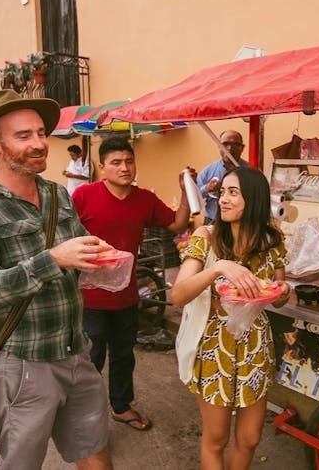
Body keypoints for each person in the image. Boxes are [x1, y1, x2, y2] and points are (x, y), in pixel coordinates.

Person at [0, 89, 113, 469]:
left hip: (77, 351)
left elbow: (77, 252)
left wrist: (99, 255)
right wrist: (53, 258)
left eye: (41, 133)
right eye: (23, 136)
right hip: (22, 362)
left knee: (97, 456)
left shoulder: (57, 195)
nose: (40, 144)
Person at [71, 135, 194, 431]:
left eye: (129, 161)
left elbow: (177, 224)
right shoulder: (84, 196)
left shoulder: (145, 199)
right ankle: (83, 415)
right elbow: (63, 237)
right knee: (92, 355)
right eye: (116, 162)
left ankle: (121, 406)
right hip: (90, 296)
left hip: (127, 294)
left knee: (124, 353)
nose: (124, 168)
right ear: (102, 168)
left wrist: (186, 192)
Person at [171, 167, 291, 470]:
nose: (223, 199)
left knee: (250, 438)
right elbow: (178, 295)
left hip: (255, 344)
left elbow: (279, 297)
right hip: (214, 345)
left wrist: (284, 291)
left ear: (254, 199)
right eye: (222, 192)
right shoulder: (205, 237)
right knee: (217, 438)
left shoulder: (271, 241)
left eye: (233, 192)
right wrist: (218, 268)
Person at [196, 130, 249, 225]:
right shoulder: (208, 171)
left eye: (235, 144)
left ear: (242, 148)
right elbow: (195, 197)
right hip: (213, 220)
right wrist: (207, 188)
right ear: (218, 146)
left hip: (242, 221)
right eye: (225, 144)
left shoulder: (250, 171)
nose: (229, 148)